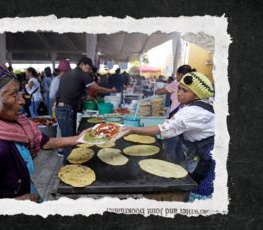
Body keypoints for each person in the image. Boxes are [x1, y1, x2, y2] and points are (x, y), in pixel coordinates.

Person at [0, 63, 89, 201]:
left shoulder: (13, 124)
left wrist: (78, 139)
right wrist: (18, 201)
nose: (22, 101)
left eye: (19, 93)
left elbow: (44, 142)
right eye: (13, 95)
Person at [122, 72, 215, 201]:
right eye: (179, 88)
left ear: (197, 94)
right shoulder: (206, 101)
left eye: (185, 91)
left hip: (211, 154)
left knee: (202, 188)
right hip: (205, 149)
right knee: (196, 179)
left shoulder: (193, 112)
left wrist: (134, 129)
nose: (179, 93)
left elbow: (163, 128)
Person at [55, 56, 117, 158]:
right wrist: (112, 91)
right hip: (66, 110)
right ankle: (68, 166)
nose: (89, 71)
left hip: (62, 109)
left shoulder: (69, 73)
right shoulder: (81, 74)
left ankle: (69, 162)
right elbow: (98, 89)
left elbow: (72, 91)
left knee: (69, 137)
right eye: (88, 68)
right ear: (82, 64)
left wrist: (85, 97)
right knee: (69, 139)